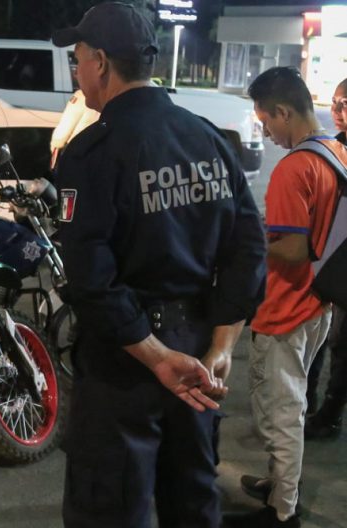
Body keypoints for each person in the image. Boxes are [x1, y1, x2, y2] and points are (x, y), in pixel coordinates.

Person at [51, 3, 266, 527]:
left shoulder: (93, 152)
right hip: (198, 353)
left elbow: (91, 279)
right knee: (193, 501)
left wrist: (156, 357)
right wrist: (221, 346)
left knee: (109, 509)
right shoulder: (207, 137)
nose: (77, 72)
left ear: (102, 63)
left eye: (78, 59)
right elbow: (248, 248)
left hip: (126, 363)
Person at [227, 67, 341, 528]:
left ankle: (281, 513)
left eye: (266, 122)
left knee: (281, 413)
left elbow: (293, 248)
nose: (267, 133)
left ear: (283, 111)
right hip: (318, 302)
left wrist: (249, 239)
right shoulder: (336, 151)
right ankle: (279, 484)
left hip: (287, 308)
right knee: (288, 404)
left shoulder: (294, 168)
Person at [304, 78, 347, 440]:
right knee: (324, 337)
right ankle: (313, 406)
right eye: (334, 103)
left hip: (338, 261)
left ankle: (330, 414)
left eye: (344, 104)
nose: (337, 111)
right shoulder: (334, 147)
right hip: (329, 260)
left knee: (342, 343)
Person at [50, 89, 99, 169]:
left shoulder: (82, 95)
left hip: (76, 153)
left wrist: (55, 145)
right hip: (100, 158)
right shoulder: (115, 97)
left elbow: (64, 129)